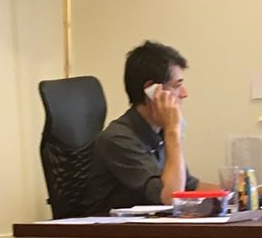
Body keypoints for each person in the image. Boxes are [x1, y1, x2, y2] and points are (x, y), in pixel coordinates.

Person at [83, 40, 216, 215]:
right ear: (152, 90)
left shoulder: (159, 132)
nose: (184, 94)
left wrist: (239, 194)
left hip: (150, 227)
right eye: (177, 85)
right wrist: (173, 132)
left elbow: (189, 186)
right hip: (110, 230)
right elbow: (172, 197)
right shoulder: (118, 139)